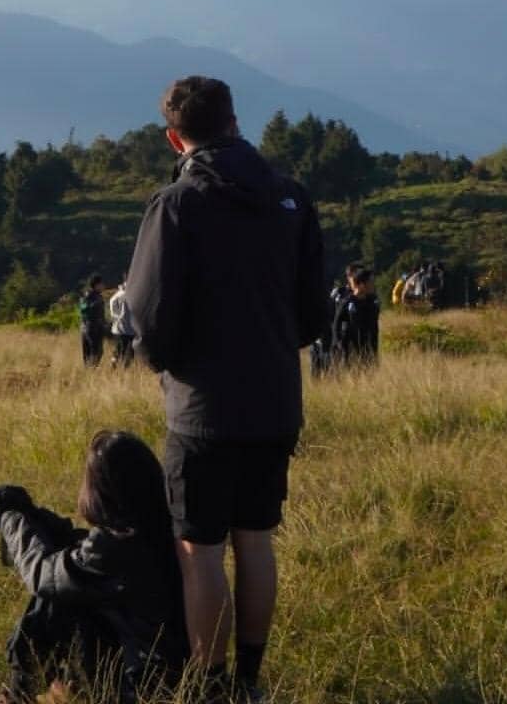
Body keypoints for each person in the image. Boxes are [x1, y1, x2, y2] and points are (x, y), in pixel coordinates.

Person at [125, 76, 328, 702]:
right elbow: (314, 316)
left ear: (173, 137)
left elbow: (147, 314)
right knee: (256, 537)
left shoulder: (176, 206)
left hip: (202, 410)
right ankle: (250, 680)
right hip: (274, 403)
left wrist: (166, 361)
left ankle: (211, 688)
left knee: (202, 550)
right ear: (236, 122)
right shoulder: (291, 198)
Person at [0, 430, 187, 704]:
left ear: (103, 492)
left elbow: (43, 574)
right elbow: (78, 551)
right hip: (171, 671)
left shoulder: (113, 548)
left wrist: (11, 518)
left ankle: (19, 693)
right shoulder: (167, 527)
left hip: (139, 688)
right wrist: (34, 516)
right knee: (68, 587)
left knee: (54, 599)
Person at [335, 267, 380, 367]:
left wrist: (374, 350)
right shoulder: (347, 302)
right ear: (361, 284)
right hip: (350, 349)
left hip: (368, 349)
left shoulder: (372, 302)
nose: (373, 285)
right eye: (370, 282)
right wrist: (339, 344)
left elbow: (374, 327)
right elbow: (336, 324)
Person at [79, 274, 105, 366]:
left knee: (90, 352)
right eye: (102, 284)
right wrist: (94, 304)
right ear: (96, 285)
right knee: (96, 351)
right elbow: (83, 309)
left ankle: (89, 371)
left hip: (87, 327)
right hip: (92, 328)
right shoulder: (91, 296)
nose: (103, 286)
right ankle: (91, 371)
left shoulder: (95, 295)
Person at [108, 277, 135, 366]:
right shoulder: (130, 295)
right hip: (128, 329)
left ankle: (114, 364)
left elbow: (112, 312)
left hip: (117, 328)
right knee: (129, 351)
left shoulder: (116, 295)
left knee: (118, 350)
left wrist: (116, 317)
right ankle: (125, 369)